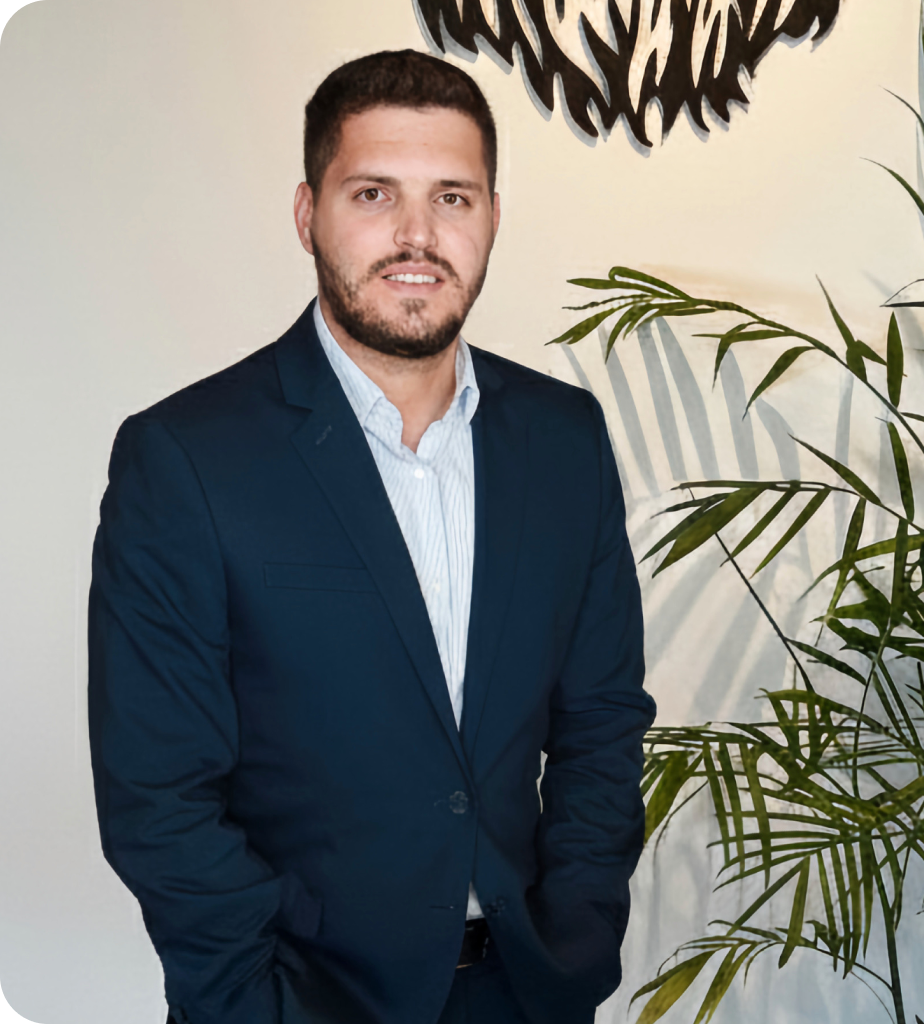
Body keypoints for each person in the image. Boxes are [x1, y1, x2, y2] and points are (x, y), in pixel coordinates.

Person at [87, 49, 655, 1024]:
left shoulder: (564, 439)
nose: (416, 235)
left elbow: (601, 721)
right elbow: (158, 790)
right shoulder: (184, 458)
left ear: (491, 218)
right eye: (373, 193)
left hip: (522, 993)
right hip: (298, 1001)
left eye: (452, 198)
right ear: (308, 213)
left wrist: (577, 941)